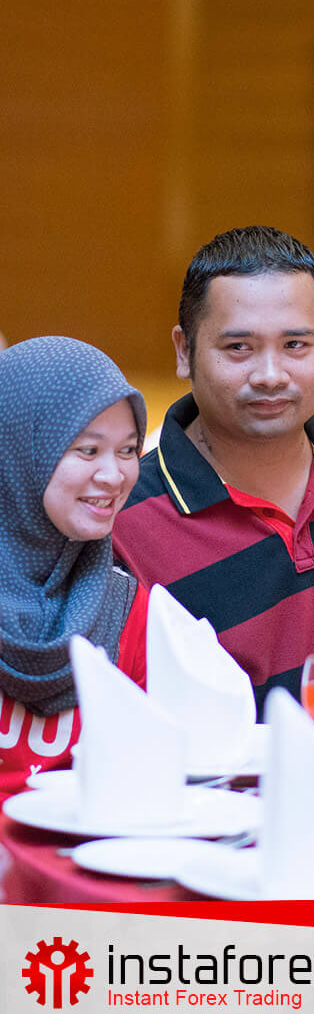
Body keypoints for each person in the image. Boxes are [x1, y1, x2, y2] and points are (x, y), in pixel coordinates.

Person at [112, 226, 314, 716]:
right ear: (184, 351)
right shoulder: (126, 520)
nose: (270, 375)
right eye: (238, 348)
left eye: (296, 345)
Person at [0, 336, 148, 799]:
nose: (114, 476)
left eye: (128, 450)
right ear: (19, 452)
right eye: (87, 450)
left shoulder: (127, 609)